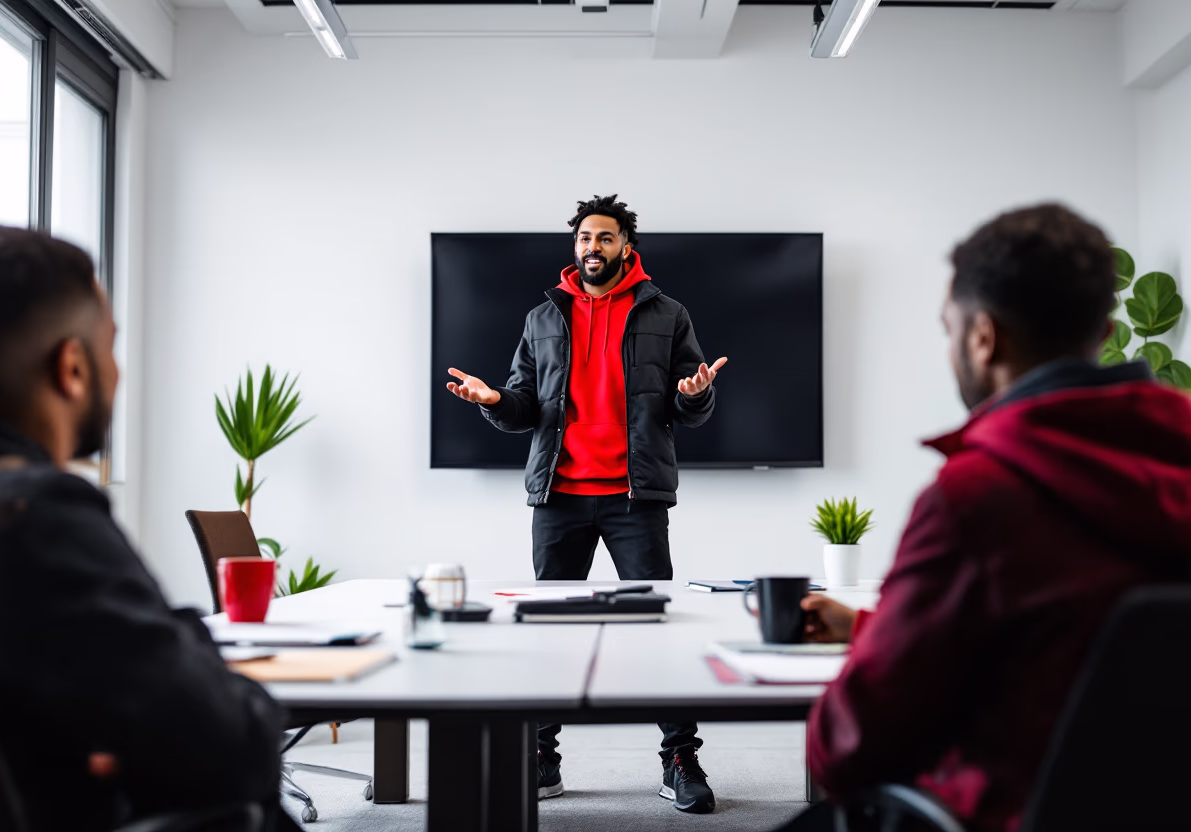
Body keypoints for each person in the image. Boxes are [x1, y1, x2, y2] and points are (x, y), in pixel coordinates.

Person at [784, 204, 1191, 832]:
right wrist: (870, 627)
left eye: (949, 328)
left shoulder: (976, 498)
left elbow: (845, 750)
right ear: (1105, 331)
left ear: (982, 337)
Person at [0, 225, 298, 832]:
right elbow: (234, 748)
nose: (117, 371)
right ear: (72, 367)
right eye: (111, 347)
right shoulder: (31, 514)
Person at [446, 195, 728, 814]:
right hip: (559, 496)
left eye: (603, 238)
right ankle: (541, 757)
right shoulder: (543, 317)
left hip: (636, 497)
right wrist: (494, 398)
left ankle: (680, 757)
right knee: (548, 635)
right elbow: (523, 406)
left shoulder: (667, 312)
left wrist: (696, 392)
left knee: (658, 632)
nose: (591, 248)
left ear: (627, 244)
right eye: (583, 239)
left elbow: (690, 404)